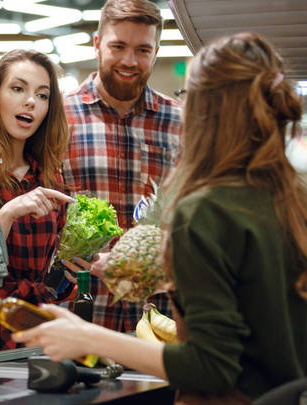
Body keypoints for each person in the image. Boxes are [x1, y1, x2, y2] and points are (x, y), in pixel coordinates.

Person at [14, 32, 307, 402]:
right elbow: (261, 308)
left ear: (204, 113)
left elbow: (211, 367)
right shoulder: (306, 206)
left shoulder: (205, 210)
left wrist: (87, 337)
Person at [62, 0, 182, 331]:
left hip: (160, 319)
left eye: (143, 49)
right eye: (118, 46)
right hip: (80, 319)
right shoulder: (57, 118)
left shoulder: (180, 123)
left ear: (156, 52)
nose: (130, 61)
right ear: (98, 44)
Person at [0, 49, 74, 352]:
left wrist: (75, 264)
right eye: (18, 89)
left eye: (43, 95)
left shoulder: (49, 179)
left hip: (37, 335)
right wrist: (7, 214)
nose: (31, 101)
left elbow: (54, 274)